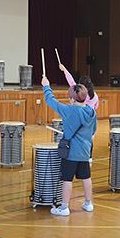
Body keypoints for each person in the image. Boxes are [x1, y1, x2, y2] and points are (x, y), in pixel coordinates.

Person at [42, 78, 97, 216]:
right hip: (85, 151)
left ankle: (64, 207)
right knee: (86, 177)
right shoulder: (91, 112)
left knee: (67, 179)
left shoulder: (69, 110)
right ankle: (88, 203)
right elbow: (94, 130)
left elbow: (51, 101)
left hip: (71, 152)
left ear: (73, 99)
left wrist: (46, 86)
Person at [59, 64, 99, 163]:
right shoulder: (95, 96)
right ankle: (89, 157)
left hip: (79, 118)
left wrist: (65, 70)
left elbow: (71, 81)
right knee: (89, 139)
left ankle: (75, 156)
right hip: (90, 121)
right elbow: (96, 107)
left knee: (77, 138)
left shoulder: (79, 92)